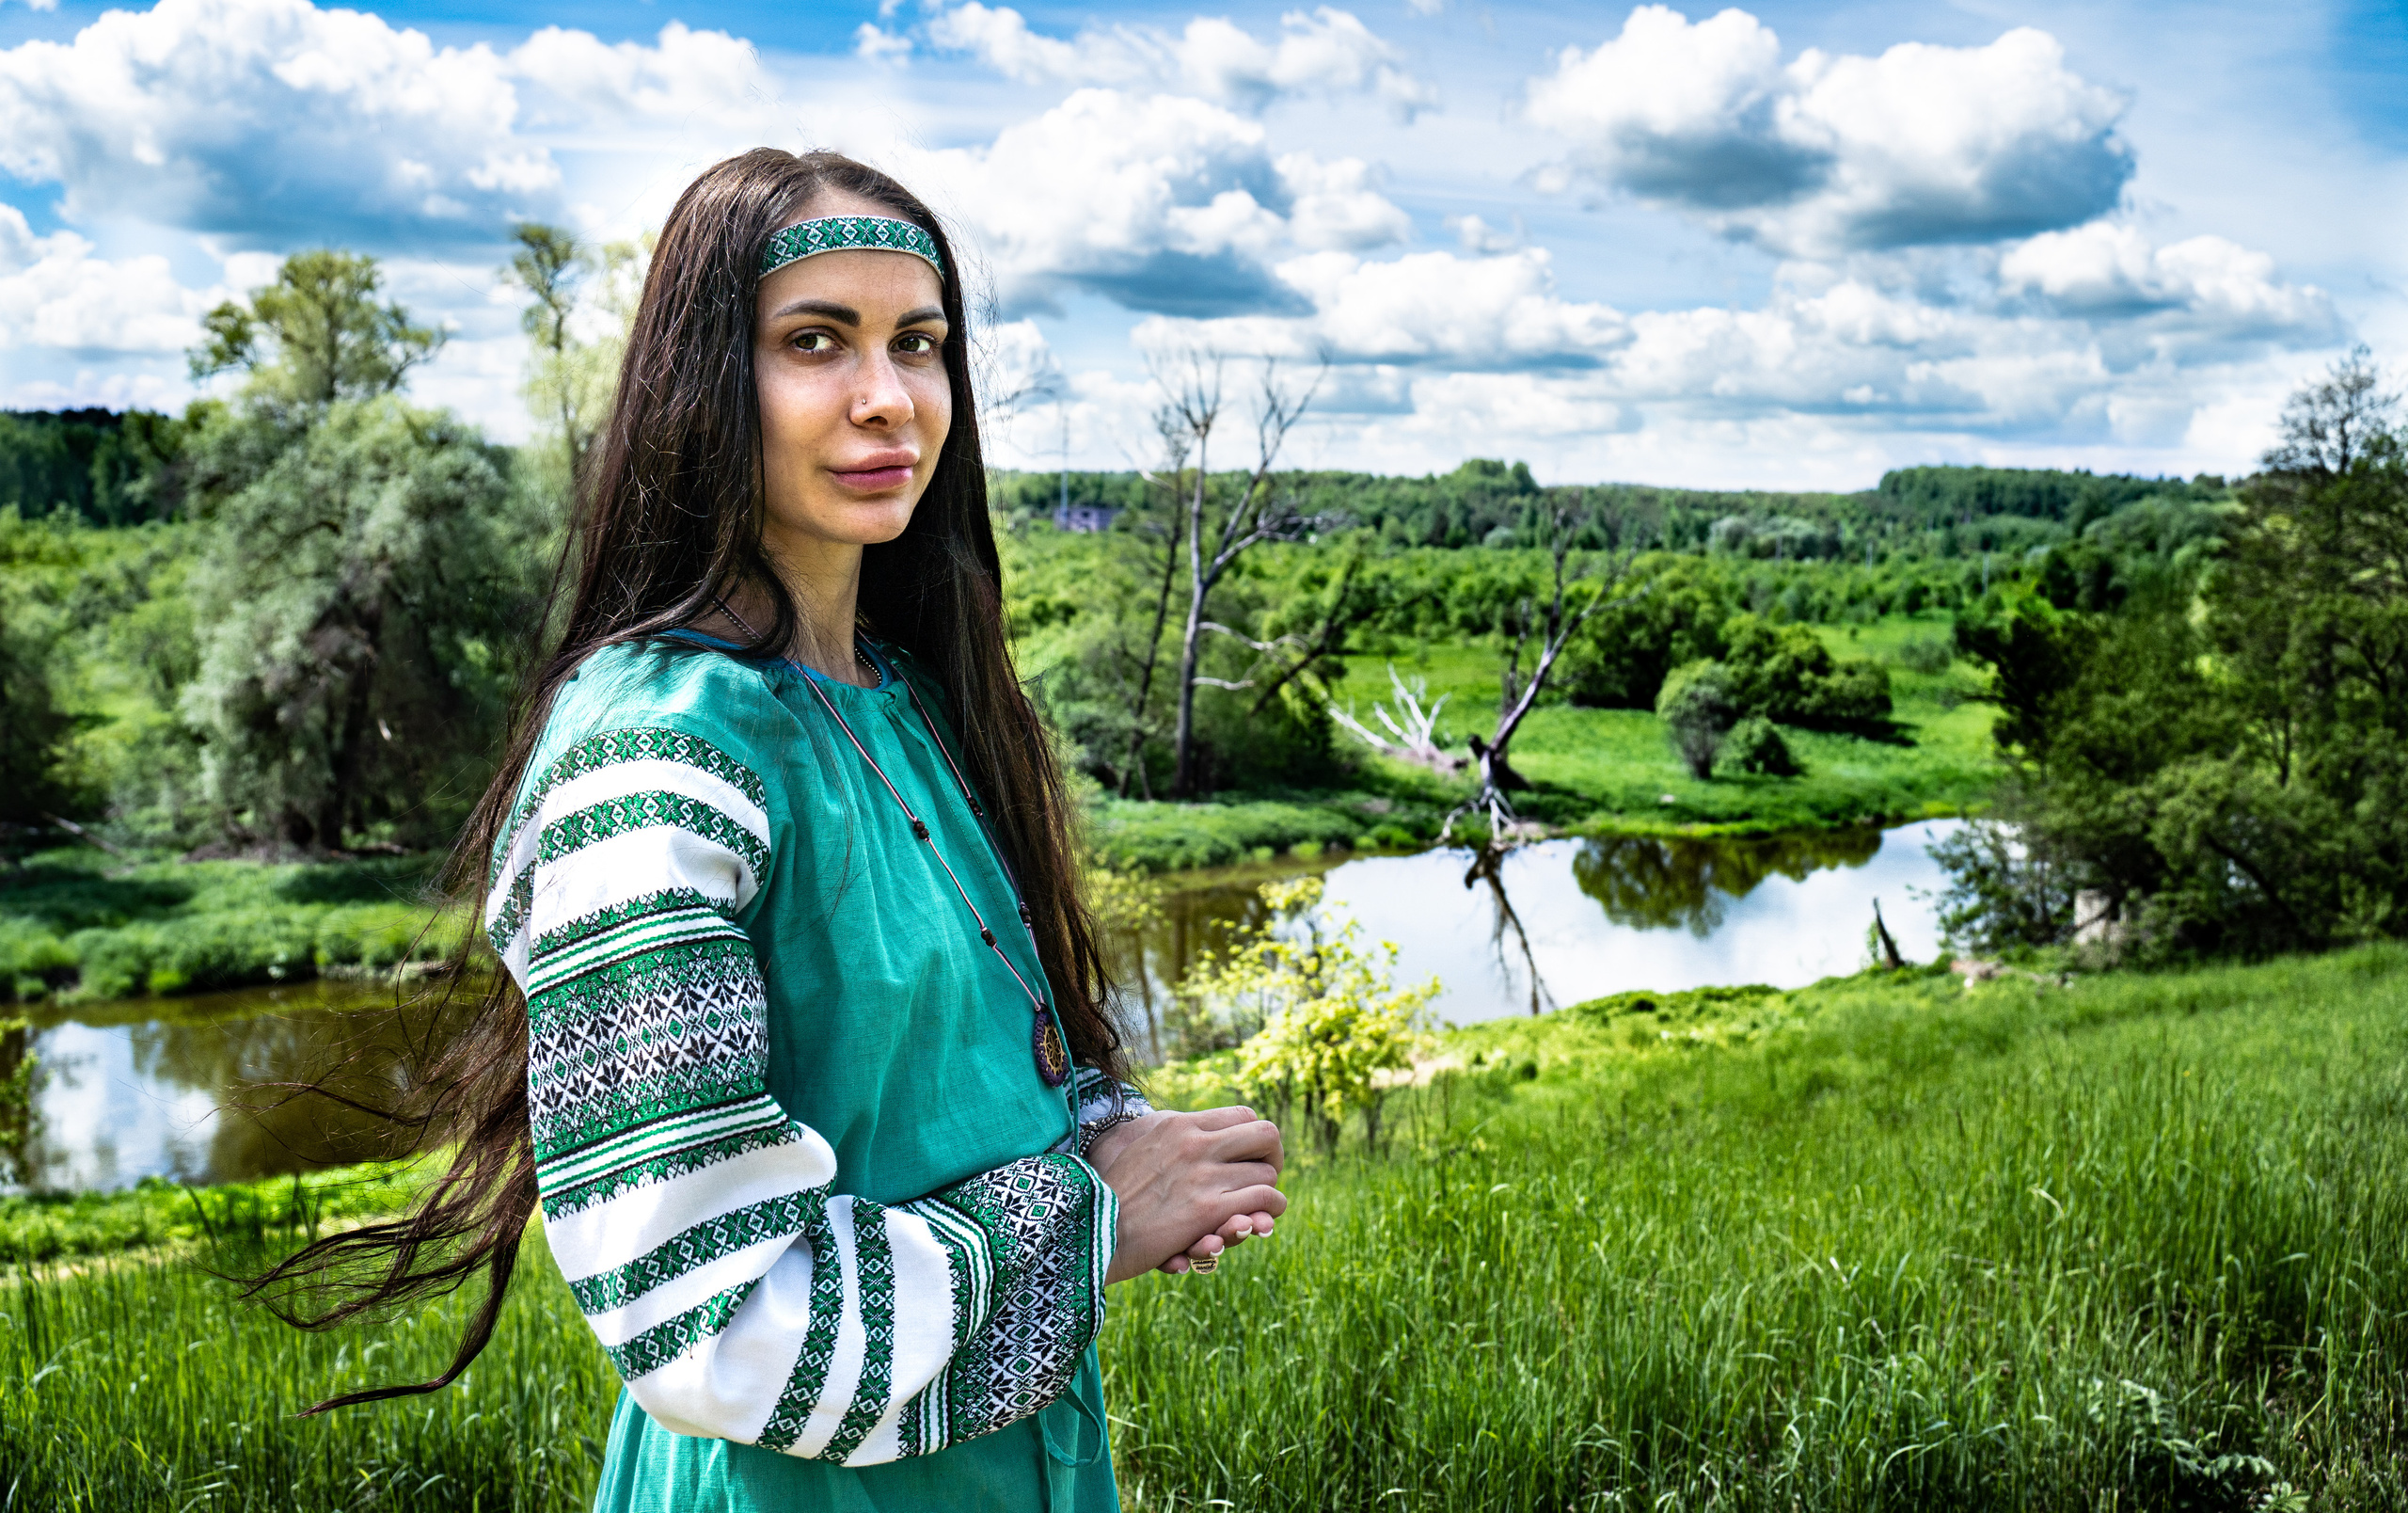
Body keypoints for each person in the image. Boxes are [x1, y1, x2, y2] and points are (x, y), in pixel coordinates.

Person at [251, 148, 1287, 1511]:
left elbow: (942, 1065)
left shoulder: (908, 698)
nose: (887, 398)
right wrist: (1092, 1222)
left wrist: (1117, 1136)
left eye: (920, 344)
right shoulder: (655, 762)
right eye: (816, 341)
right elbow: (708, 1327)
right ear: (704, 383)